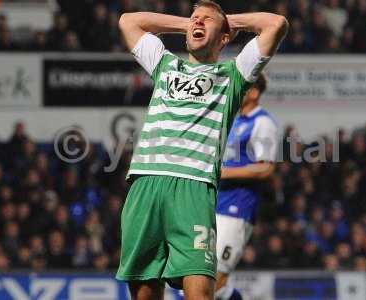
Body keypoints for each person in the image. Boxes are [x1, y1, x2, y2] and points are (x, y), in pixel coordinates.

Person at [116, 1, 288, 300]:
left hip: (193, 188)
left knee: (200, 291)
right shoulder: (164, 64)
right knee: (144, 293)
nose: (198, 22)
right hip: (145, 183)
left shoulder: (233, 74)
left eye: (206, 20)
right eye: (195, 18)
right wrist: (190, 23)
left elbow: (276, 24)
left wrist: (224, 22)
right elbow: (129, 21)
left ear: (224, 37)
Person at [215, 74, 278, 300]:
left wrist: (224, 173)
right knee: (198, 283)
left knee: (214, 282)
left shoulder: (262, 122)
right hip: (215, 205)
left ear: (253, 92)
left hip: (237, 209)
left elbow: (266, 168)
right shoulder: (234, 119)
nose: (236, 90)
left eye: (242, 87)